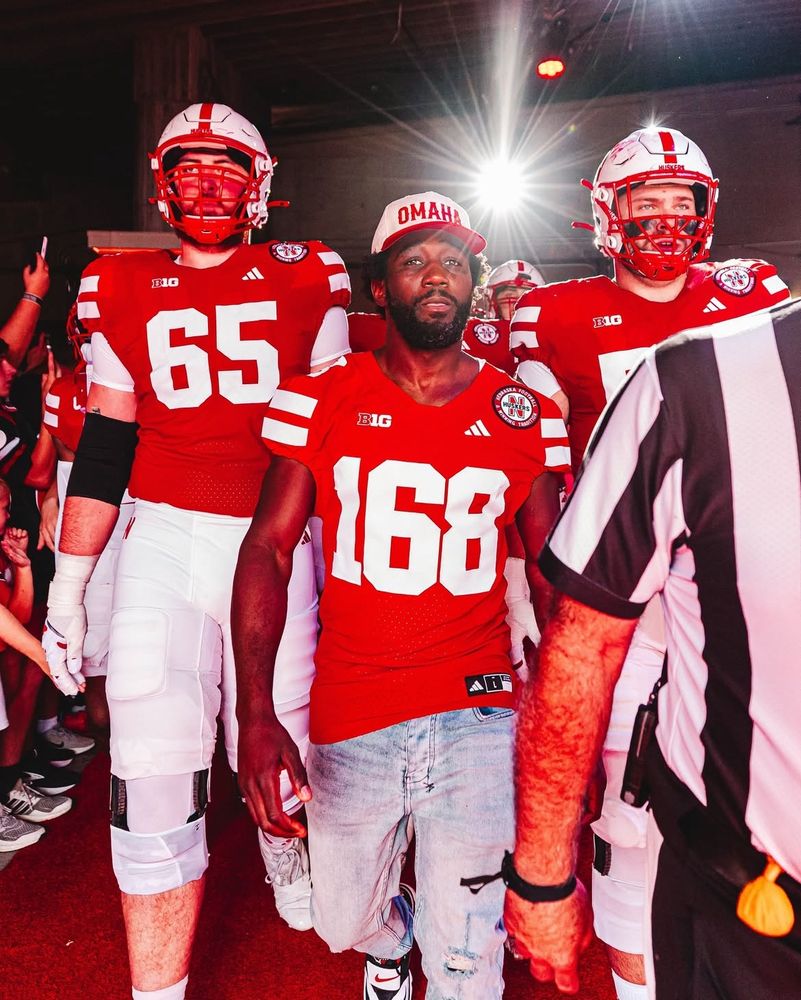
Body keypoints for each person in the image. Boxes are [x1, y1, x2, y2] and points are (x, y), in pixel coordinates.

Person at [42, 102, 351, 1000]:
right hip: (166, 532)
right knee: (150, 741)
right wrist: (70, 586)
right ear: (161, 182)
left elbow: (327, 433)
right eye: (191, 170)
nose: (208, 188)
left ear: (261, 188)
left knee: (284, 725)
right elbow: (104, 446)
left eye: (228, 170)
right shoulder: (118, 279)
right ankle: (158, 991)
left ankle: (283, 854)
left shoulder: (310, 273)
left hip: (278, 534)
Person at [232, 190, 571, 1000]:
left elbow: (553, 576)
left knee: (468, 959)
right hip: (353, 708)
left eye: (452, 262)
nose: (435, 276)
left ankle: (443, 955)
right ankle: (393, 932)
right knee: (338, 921)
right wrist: (253, 710)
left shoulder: (521, 412)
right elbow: (268, 549)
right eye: (413, 261)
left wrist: (562, 725)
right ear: (378, 287)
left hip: (478, 711)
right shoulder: (321, 395)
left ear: (474, 284)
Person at [509, 125, 791, 1000]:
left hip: (730, 577)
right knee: (625, 804)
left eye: (683, 204)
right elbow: (537, 465)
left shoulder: (750, 293)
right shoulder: (550, 313)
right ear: (605, 214)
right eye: (645, 204)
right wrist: (550, 591)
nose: (666, 223)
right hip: (621, 583)